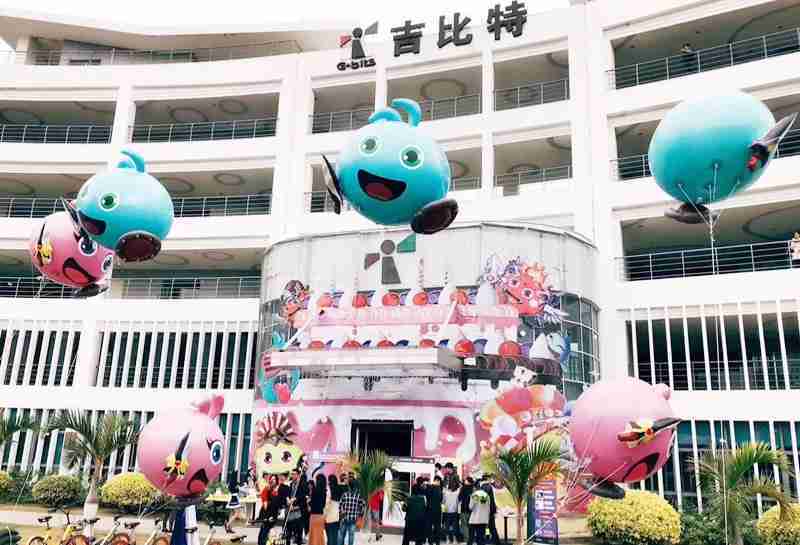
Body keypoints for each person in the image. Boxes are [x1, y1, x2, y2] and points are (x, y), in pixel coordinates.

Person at [338, 481, 365, 545]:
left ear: (349, 487)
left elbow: (340, 505)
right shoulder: (358, 496)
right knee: (351, 535)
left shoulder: (344, 495)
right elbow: (363, 506)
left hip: (344, 518)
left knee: (341, 534)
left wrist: (341, 513)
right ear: (355, 487)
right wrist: (359, 514)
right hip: (353, 519)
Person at [286, 468, 308, 545]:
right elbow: (287, 494)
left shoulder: (302, 484)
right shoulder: (290, 484)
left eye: (294, 474)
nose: (292, 475)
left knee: (299, 534)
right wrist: (288, 499)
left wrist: (295, 499)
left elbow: (304, 496)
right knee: (288, 534)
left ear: (298, 475)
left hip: (299, 512)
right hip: (290, 512)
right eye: (292, 474)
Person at [309, 474, 327, 545]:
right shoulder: (324, 491)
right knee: (320, 535)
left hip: (313, 515)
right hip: (320, 515)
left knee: (313, 534)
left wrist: (309, 502)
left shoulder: (314, 490)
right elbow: (323, 505)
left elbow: (312, 503)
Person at [482, 479, 501, 545]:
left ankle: (488, 539)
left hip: (486, 511)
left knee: (488, 527)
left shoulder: (484, 488)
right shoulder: (490, 488)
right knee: (491, 527)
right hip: (490, 511)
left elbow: (483, 501)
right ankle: (495, 540)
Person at [325, 474, 342, 545]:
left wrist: (324, 514)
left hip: (329, 515)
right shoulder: (339, 489)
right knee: (335, 534)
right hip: (337, 515)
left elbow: (327, 503)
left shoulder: (329, 490)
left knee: (329, 535)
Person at [426, 476, 443, 545]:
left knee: (429, 526)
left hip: (430, 509)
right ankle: (437, 541)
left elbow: (427, 497)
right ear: (437, 481)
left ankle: (430, 541)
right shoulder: (439, 489)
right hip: (437, 510)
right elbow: (441, 499)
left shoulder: (429, 487)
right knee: (437, 526)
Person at [442, 479, 460, 544]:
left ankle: (447, 540)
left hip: (447, 511)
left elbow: (443, 501)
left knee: (447, 526)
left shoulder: (445, 493)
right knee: (455, 526)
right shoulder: (457, 493)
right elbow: (458, 501)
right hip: (455, 511)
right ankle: (455, 540)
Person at [458, 477, 474, 545]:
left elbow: (459, 498)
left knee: (464, 525)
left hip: (464, 509)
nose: (464, 481)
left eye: (466, 481)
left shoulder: (463, 488)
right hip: (471, 510)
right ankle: (471, 539)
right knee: (470, 525)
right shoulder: (473, 489)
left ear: (468, 481)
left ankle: (466, 539)